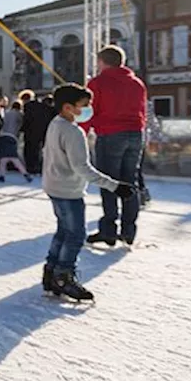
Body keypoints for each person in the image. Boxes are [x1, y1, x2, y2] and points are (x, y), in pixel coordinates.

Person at [42, 84, 134, 302]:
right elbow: (82, 168)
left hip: (54, 186)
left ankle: (51, 272)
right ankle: (63, 276)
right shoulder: (73, 132)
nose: (89, 109)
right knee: (75, 235)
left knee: (63, 231)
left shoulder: (55, 124)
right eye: (84, 106)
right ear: (67, 107)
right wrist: (114, 186)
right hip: (68, 190)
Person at [84, 45, 148, 246]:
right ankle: (129, 231)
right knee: (130, 182)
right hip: (135, 134)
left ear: (102, 62)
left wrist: (82, 133)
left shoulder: (98, 82)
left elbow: (89, 111)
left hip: (110, 134)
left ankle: (109, 230)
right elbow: (143, 111)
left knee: (109, 182)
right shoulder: (137, 84)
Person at [0, 100, 31, 183]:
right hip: (12, 137)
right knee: (13, 157)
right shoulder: (19, 114)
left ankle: (2, 175)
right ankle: (25, 174)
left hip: (3, 135)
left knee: (3, 158)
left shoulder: (6, 113)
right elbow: (22, 124)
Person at [20, 90, 52, 175]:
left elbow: (27, 119)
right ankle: (40, 167)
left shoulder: (28, 106)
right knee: (41, 150)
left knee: (30, 150)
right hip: (43, 131)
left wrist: (22, 129)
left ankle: (31, 167)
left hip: (30, 132)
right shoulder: (43, 106)